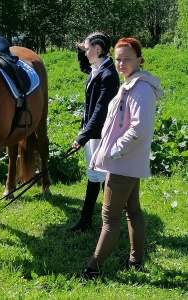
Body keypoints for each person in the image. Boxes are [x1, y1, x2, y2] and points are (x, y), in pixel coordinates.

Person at [81, 37, 164, 280]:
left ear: (139, 60)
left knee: (109, 218)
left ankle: (92, 268)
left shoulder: (140, 90)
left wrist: (114, 151)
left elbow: (138, 129)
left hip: (122, 163)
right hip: (127, 162)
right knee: (133, 211)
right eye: (118, 59)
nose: (121, 63)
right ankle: (135, 261)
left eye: (127, 58)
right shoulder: (131, 84)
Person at [68, 31, 120, 233]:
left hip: (100, 133)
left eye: (88, 48)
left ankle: (109, 221)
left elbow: (100, 110)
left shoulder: (108, 74)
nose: (85, 51)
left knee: (103, 178)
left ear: (98, 49)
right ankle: (87, 219)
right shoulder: (99, 68)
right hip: (92, 132)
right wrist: (81, 51)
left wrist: (82, 136)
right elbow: (84, 66)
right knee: (94, 175)